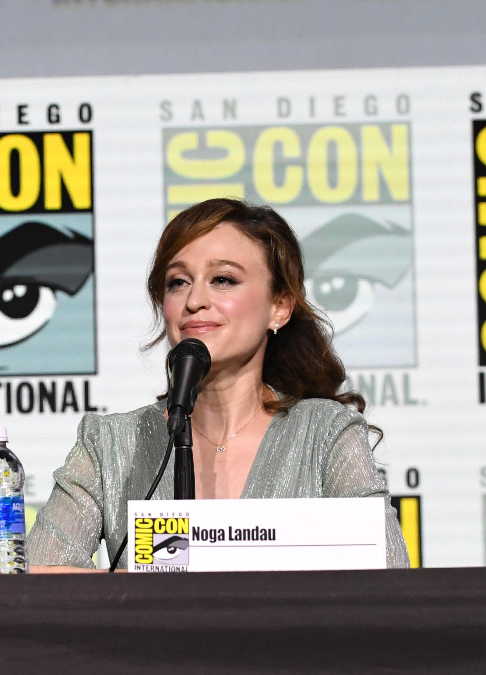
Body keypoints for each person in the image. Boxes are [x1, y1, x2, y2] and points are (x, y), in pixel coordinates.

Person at [27, 198, 410, 571]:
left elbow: (387, 570)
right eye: (178, 282)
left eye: (223, 279)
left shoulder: (325, 433)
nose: (195, 300)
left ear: (279, 307)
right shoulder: (110, 443)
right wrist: (154, 591)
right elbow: (39, 575)